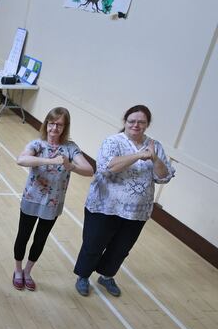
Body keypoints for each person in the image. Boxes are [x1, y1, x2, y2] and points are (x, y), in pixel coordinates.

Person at [73, 105, 174, 297]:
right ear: (125, 122)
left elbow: (164, 176)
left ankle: (107, 276)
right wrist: (139, 155)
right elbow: (107, 167)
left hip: (137, 210)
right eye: (132, 121)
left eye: (141, 122)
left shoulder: (155, 146)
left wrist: (154, 158)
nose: (136, 125)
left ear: (147, 125)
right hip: (105, 206)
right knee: (94, 244)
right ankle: (83, 276)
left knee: (121, 248)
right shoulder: (113, 141)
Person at [12, 107, 93, 291]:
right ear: (46, 124)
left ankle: (27, 271)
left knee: (40, 238)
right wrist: (50, 161)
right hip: (32, 198)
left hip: (53, 202)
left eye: (59, 125)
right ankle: (17, 270)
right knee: (23, 236)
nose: (54, 128)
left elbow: (89, 170)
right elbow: (21, 160)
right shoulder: (37, 144)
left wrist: (69, 165)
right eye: (52, 123)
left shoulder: (70, 148)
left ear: (65, 127)